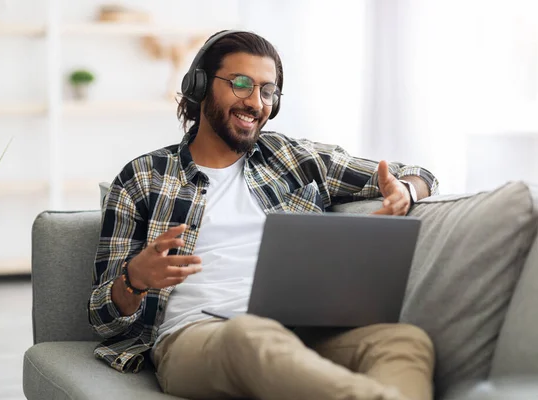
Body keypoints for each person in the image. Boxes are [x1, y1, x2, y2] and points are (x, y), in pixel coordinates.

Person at [89, 30, 439, 400]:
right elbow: (103, 320)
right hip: (198, 337)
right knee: (249, 336)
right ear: (200, 85)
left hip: (302, 329)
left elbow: (418, 173)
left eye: (267, 91)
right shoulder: (143, 177)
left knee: (404, 340)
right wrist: (135, 279)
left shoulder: (290, 157)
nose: (255, 102)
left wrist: (406, 190)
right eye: (241, 84)